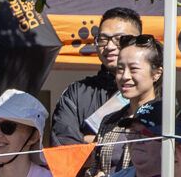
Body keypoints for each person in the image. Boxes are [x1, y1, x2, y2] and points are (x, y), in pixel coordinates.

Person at [73, 35, 162, 177]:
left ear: (157, 73)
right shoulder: (109, 121)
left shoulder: (168, 122)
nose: (125, 76)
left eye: (133, 69)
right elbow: (91, 174)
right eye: (120, 69)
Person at [51, 8, 143, 146]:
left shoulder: (155, 92)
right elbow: (64, 149)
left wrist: (89, 141)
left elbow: (157, 147)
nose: (109, 46)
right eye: (103, 39)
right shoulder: (76, 93)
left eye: (119, 39)